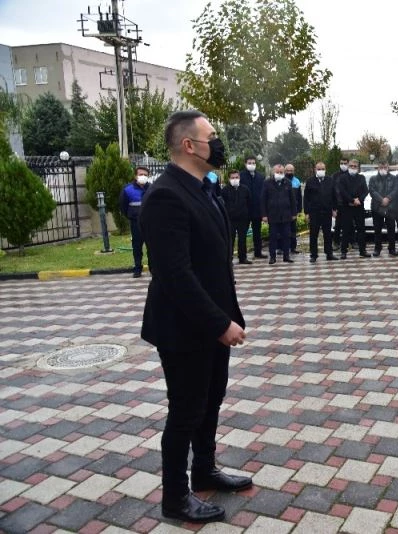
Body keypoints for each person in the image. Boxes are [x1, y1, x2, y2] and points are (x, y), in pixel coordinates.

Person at [139, 111, 249, 524]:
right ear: (189, 145)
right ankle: (175, 497)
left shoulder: (204, 188)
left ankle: (204, 468)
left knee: (211, 400)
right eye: (211, 136)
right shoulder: (166, 195)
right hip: (184, 329)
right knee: (185, 411)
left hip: (212, 323)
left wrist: (227, 317)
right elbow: (175, 275)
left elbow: (215, 263)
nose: (218, 143)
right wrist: (219, 324)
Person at [261, 164, 297, 265]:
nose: (279, 174)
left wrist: (294, 213)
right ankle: (272, 257)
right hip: (273, 215)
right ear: (273, 172)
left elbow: (292, 199)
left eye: (281, 172)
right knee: (273, 237)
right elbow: (263, 200)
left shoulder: (287, 182)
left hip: (286, 214)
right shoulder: (267, 183)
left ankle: (286, 256)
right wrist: (264, 214)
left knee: (287, 236)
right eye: (277, 172)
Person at [304, 161, 339, 263]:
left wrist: (334, 209)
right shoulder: (310, 181)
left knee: (327, 234)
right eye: (319, 169)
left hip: (327, 211)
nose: (321, 171)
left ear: (325, 169)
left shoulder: (330, 180)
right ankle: (313, 255)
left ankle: (329, 253)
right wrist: (306, 212)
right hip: (314, 212)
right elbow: (306, 198)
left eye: (323, 169)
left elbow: (334, 195)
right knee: (313, 234)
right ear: (315, 170)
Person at [120, 166, 150, 278]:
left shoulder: (152, 188)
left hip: (151, 223)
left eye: (145, 175)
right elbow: (123, 206)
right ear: (135, 176)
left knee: (152, 247)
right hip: (135, 223)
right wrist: (131, 216)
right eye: (141, 174)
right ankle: (137, 269)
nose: (143, 177)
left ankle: (153, 268)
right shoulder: (127, 190)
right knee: (137, 247)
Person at [337, 159, 370, 259]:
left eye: (355, 166)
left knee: (361, 229)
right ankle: (343, 251)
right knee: (346, 229)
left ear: (358, 168)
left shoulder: (361, 178)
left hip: (359, 207)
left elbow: (365, 191)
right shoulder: (342, 178)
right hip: (347, 207)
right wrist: (352, 200)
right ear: (348, 166)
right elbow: (342, 191)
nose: (353, 168)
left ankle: (362, 251)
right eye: (351, 166)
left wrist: (359, 200)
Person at [220, 170, 252, 265]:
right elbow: (222, 205)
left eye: (236, 177)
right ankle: (229, 259)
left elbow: (249, 203)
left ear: (239, 178)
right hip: (230, 219)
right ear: (229, 179)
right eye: (233, 178)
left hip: (243, 219)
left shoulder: (245, 189)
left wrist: (248, 216)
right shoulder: (224, 190)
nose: (235, 179)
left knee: (242, 239)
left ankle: (243, 258)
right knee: (230, 240)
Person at [368, 161, 398, 257]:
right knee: (377, 230)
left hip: (391, 207)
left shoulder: (393, 178)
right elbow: (372, 191)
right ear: (378, 168)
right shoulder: (373, 179)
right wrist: (381, 199)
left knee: (391, 229)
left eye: (385, 167)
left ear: (388, 167)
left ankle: (392, 248)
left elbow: (396, 190)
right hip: (377, 208)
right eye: (381, 167)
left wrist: (388, 198)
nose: (383, 169)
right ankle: (377, 248)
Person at [239, 156, 266, 258]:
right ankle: (242, 255)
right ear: (245, 164)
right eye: (249, 163)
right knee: (242, 234)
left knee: (257, 233)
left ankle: (258, 252)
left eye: (253, 163)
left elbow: (263, 194)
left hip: (257, 210)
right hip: (244, 209)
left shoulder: (260, 177)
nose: (252, 165)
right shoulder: (240, 176)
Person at [332, 157, 349, 247]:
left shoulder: (351, 175)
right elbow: (332, 190)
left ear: (348, 164)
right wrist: (333, 207)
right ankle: (336, 242)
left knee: (350, 224)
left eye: (345, 163)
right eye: (341, 163)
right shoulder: (335, 176)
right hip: (338, 204)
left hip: (349, 204)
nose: (343, 165)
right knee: (338, 224)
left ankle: (352, 241)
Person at [286, 163, 302, 254]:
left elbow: (299, 197)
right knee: (282, 229)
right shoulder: (282, 180)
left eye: (291, 171)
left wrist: (299, 210)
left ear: (294, 171)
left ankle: (293, 247)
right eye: (287, 170)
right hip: (283, 209)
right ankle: (281, 247)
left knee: (293, 229)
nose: (289, 172)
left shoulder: (297, 181)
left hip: (293, 210)